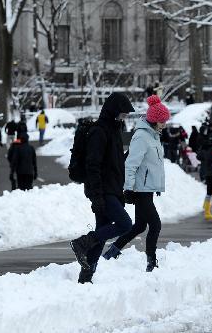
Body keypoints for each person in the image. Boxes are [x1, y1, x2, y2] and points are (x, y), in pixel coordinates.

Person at [69, 92, 135, 284]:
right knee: (125, 224)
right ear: (113, 111)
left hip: (112, 189)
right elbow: (93, 166)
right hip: (102, 191)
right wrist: (97, 196)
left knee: (103, 232)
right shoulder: (99, 131)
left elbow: (112, 164)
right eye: (122, 113)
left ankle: (85, 278)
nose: (124, 118)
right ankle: (82, 242)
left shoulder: (114, 130)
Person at [101, 94, 169, 272]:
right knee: (155, 225)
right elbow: (130, 165)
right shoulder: (142, 137)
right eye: (162, 121)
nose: (165, 124)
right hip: (139, 189)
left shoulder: (154, 136)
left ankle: (112, 252)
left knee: (140, 226)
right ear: (154, 120)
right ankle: (151, 262)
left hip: (147, 188)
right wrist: (128, 189)